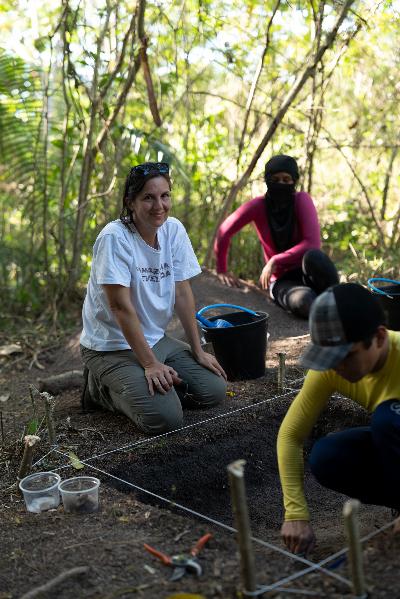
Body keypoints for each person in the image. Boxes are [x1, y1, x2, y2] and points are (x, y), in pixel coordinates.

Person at [80, 161, 227, 434]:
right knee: (165, 419)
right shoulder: (115, 238)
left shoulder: (173, 230)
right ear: (131, 202)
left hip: (155, 338)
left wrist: (197, 349)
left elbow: (182, 293)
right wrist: (149, 364)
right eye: (148, 197)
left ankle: (152, 387)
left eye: (164, 195)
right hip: (111, 346)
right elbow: (119, 306)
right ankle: (100, 390)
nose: (159, 205)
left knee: (213, 390)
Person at [277, 283, 400, 555]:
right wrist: (295, 513)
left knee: (387, 420)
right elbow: (291, 436)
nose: (337, 367)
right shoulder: (330, 370)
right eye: (329, 358)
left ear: (379, 337)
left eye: (347, 356)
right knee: (327, 456)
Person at [214, 154, 339, 318]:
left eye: (286, 180)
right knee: (305, 302)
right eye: (275, 179)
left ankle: (338, 302)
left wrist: (275, 259)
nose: (281, 184)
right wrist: (221, 270)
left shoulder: (301, 200)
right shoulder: (258, 206)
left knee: (314, 256)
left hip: (309, 271)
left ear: (294, 181)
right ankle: (327, 310)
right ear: (267, 181)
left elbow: (313, 243)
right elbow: (224, 231)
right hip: (282, 281)